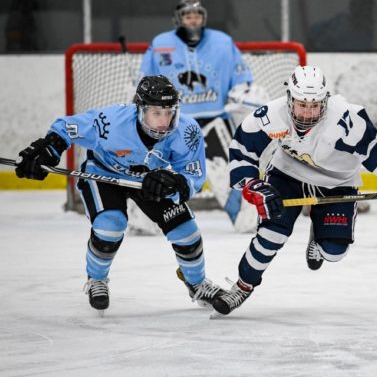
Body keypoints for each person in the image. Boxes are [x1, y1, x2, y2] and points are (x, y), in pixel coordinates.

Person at [211, 66, 377, 315]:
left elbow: (374, 148)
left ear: (325, 100)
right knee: (272, 235)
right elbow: (242, 150)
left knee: (334, 253)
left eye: (315, 105)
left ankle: (318, 233)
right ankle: (242, 286)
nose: (308, 112)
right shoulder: (271, 115)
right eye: (302, 105)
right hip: (287, 172)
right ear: (290, 98)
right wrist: (252, 185)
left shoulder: (346, 117)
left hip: (337, 181)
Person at [14, 75, 226, 315]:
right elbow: (66, 127)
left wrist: (175, 182)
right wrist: (48, 149)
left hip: (148, 180)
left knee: (187, 233)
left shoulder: (188, 131)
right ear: (140, 109)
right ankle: (97, 280)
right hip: (104, 173)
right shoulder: (110, 121)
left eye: (169, 112)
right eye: (157, 113)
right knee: (110, 225)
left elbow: (192, 174)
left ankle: (197, 284)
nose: (164, 121)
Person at [139, 0, 258, 233]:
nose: (193, 19)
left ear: (203, 17)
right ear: (178, 18)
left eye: (197, 14)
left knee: (229, 174)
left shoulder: (223, 42)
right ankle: (146, 221)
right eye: (187, 15)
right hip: (173, 123)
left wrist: (241, 93)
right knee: (158, 172)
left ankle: (247, 219)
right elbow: (143, 79)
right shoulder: (161, 44)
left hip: (215, 119)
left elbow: (242, 76)